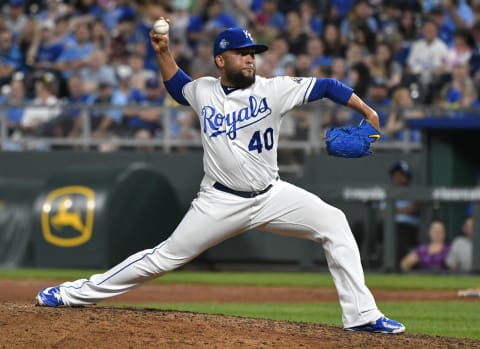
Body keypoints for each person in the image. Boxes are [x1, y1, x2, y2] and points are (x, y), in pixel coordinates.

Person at [36, 22, 405, 334]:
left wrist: (366, 109)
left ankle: (361, 315)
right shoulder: (203, 91)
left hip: (270, 195)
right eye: (242, 52)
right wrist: (162, 50)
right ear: (220, 60)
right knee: (163, 258)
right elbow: (175, 85)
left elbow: (325, 86)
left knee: (334, 223)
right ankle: (71, 293)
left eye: (253, 52)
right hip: (218, 201)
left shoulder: (273, 89)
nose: (250, 57)